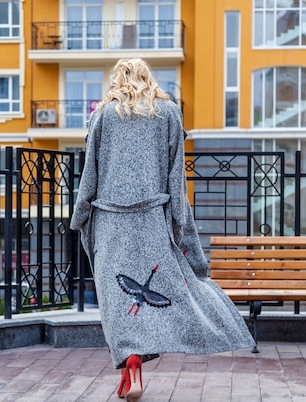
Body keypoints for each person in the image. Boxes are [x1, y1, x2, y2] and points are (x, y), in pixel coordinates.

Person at [70, 58, 254, 402]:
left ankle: (132, 363)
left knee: (117, 301)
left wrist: (80, 214)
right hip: (152, 219)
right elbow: (175, 179)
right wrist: (180, 226)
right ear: (147, 77)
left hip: (110, 222)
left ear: (117, 80)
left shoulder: (102, 116)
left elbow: (89, 173)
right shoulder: (168, 113)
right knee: (153, 296)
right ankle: (134, 367)